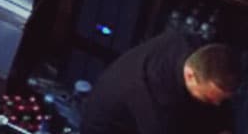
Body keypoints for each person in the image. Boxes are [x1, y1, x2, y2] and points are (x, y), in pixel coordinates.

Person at [80, 29, 241, 134]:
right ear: (190, 75)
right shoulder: (153, 101)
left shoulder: (193, 45)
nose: (217, 105)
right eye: (208, 99)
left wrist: (225, 127)